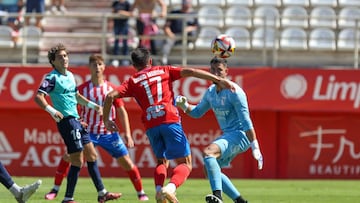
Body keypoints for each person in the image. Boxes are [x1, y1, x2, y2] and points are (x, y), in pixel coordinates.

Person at [102, 47, 233, 203]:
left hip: (151, 124)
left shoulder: (132, 81)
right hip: (169, 118)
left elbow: (110, 96)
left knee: (161, 161)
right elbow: (190, 71)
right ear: (150, 61)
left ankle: (158, 191)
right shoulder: (163, 70)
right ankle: (169, 188)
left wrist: (106, 120)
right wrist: (218, 80)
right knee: (186, 163)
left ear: (134, 65)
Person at [44, 54, 149, 201]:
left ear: (104, 67)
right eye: (94, 64)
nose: (97, 67)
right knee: (71, 157)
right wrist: (79, 121)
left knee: (126, 162)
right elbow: (73, 107)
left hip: (108, 133)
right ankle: (55, 189)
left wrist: (128, 134)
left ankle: (141, 193)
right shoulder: (82, 89)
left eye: (100, 64)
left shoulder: (111, 89)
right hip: (89, 133)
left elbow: (121, 110)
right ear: (89, 67)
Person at [34, 43, 121, 203]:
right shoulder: (51, 77)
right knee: (77, 159)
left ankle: (102, 193)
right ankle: (68, 198)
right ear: (53, 61)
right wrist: (52, 111)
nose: (64, 59)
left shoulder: (70, 76)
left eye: (65, 56)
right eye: (60, 57)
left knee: (92, 155)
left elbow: (76, 97)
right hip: (67, 122)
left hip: (77, 120)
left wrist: (94, 106)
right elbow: (38, 97)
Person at [175, 57, 264, 203]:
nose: (216, 73)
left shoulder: (235, 92)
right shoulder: (210, 92)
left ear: (226, 72)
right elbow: (197, 112)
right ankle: (241, 201)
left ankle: (217, 196)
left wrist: (255, 146)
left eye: (219, 70)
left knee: (209, 153)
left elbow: (246, 120)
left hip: (241, 135)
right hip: (229, 135)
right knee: (209, 170)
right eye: (213, 70)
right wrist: (185, 106)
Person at [162, 0, 198, 65]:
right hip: (175, 35)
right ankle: (163, 60)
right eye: (185, 2)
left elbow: (196, 26)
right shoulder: (174, 13)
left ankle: (191, 44)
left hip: (187, 36)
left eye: (188, 3)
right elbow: (166, 26)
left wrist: (188, 29)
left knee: (193, 33)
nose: (186, 4)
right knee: (168, 41)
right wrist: (170, 34)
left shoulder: (194, 14)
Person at [111, 0, 132, 66]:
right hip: (116, 24)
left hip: (124, 24)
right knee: (116, 41)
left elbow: (130, 13)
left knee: (125, 41)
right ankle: (115, 58)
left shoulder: (127, 3)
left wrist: (121, 12)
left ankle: (125, 58)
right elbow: (112, 12)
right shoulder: (115, 3)